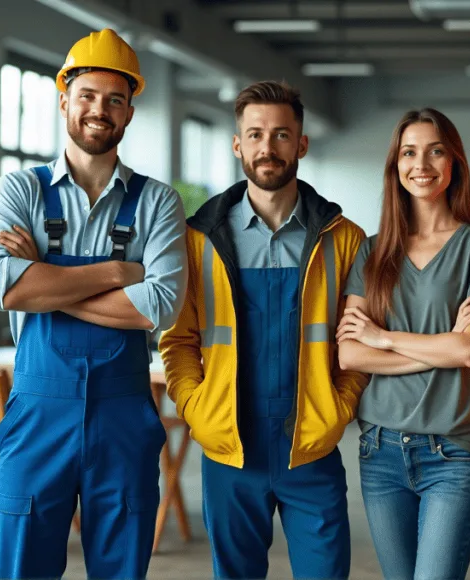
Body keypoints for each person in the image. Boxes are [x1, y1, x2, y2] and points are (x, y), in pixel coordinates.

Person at [0, 28, 187, 580]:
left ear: (129, 112)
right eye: (88, 96)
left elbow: (158, 307)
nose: (100, 109)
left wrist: (48, 280)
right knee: (24, 567)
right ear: (64, 101)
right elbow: (9, 289)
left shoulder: (158, 201)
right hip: (38, 414)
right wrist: (118, 273)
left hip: (124, 416)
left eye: (115, 99)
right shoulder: (19, 191)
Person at [158, 80, 368, 579]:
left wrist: (339, 408)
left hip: (310, 447)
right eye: (255, 135)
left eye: (280, 135)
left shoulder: (344, 240)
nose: (267, 147)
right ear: (238, 144)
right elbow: (178, 339)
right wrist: (195, 407)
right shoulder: (198, 240)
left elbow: (358, 338)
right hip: (230, 449)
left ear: (302, 144)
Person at [336, 108, 470, 580]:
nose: (421, 164)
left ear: (454, 162)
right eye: (409, 153)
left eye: (435, 151)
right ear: (396, 165)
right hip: (380, 449)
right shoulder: (372, 251)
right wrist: (442, 346)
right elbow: (350, 354)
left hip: (454, 451)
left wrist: (383, 338)